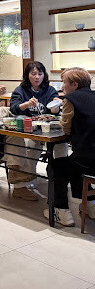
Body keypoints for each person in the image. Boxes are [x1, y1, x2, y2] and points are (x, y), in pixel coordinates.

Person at [7, 61, 67, 201]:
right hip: (29, 130)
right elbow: (14, 108)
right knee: (30, 146)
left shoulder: (49, 90)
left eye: (40, 74)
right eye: (33, 74)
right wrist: (27, 104)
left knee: (61, 145)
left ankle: (60, 179)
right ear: (27, 75)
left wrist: (56, 105)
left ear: (44, 75)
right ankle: (27, 181)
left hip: (48, 129)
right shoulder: (20, 90)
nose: (37, 77)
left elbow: (54, 112)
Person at [44, 67, 95, 226]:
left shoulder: (70, 99)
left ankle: (61, 211)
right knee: (74, 164)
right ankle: (90, 205)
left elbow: (66, 128)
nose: (62, 86)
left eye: (64, 82)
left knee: (56, 167)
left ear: (74, 84)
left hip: (87, 159)